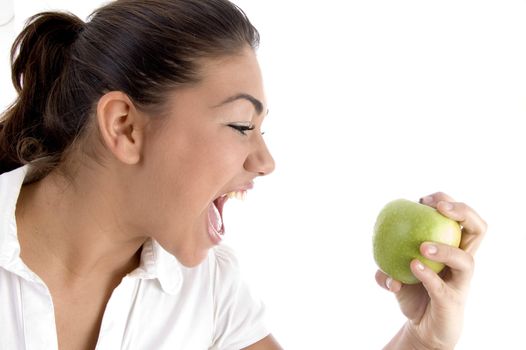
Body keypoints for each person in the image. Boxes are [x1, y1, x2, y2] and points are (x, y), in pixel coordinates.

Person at [0, 0, 486, 349]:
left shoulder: (207, 291)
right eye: (240, 125)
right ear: (125, 127)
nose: (265, 162)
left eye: (262, 129)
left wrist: (423, 341)